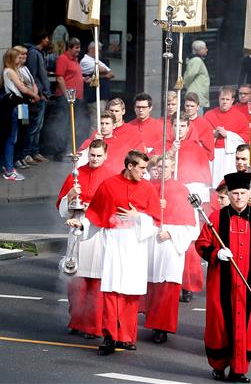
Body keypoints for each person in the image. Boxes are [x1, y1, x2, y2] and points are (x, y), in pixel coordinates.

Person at [195, 171, 251, 383]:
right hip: (221, 284)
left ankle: (239, 370)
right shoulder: (216, 218)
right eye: (234, 193)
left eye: (243, 193)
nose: (239, 197)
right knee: (219, 326)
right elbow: (201, 244)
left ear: (249, 193)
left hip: (250, 284)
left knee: (246, 327)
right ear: (228, 194)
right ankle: (218, 366)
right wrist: (216, 253)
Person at [85, 150, 162, 355]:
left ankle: (126, 337)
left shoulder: (147, 188)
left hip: (136, 244)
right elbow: (95, 214)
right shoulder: (109, 185)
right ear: (130, 166)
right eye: (142, 168)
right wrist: (81, 226)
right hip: (113, 242)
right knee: (111, 291)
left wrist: (138, 217)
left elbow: (156, 221)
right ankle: (110, 336)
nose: (145, 173)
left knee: (131, 293)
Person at [56, 140, 113, 338]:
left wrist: (94, 208)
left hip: (98, 230)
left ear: (105, 156)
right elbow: (62, 207)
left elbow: (114, 207)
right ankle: (77, 320)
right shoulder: (76, 174)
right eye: (92, 155)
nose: (95, 159)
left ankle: (93, 325)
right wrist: (71, 196)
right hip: (76, 225)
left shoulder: (111, 176)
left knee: (94, 280)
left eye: (99, 155)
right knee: (75, 277)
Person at [145, 154, 199, 344]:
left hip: (169, 246)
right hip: (149, 241)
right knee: (151, 286)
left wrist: (171, 233)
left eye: (166, 167)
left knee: (167, 287)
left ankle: (163, 327)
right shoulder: (148, 187)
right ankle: (152, 322)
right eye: (160, 166)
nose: (162, 170)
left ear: (173, 168)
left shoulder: (182, 190)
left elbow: (192, 227)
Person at [0, 48, 40, 180]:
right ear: (11, 59)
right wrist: (34, 94)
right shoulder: (10, 71)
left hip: (21, 106)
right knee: (13, 137)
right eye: (18, 56)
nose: (21, 58)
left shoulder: (14, 71)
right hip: (16, 106)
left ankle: (12, 164)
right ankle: (9, 170)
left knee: (19, 135)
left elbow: (27, 85)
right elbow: (21, 88)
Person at [204, 86, 250, 187]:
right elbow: (202, 135)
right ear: (218, 99)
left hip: (230, 156)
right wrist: (213, 134)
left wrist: (228, 135)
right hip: (214, 156)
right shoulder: (209, 115)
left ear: (233, 100)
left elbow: (246, 138)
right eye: (222, 99)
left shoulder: (240, 117)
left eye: (227, 99)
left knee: (229, 184)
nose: (224, 102)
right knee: (214, 184)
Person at [54, 37, 89, 159]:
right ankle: (59, 153)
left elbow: (74, 77)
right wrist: (67, 95)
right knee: (63, 124)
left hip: (76, 97)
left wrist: (84, 79)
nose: (78, 51)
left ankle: (69, 149)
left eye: (79, 48)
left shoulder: (75, 60)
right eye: (76, 48)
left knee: (73, 124)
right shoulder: (63, 59)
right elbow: (60, 78)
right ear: (69, 47)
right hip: (66, 98)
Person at [25, 29, 52, 163]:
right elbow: (33, 76)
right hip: (38, 94)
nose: (49, 40)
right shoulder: (33, 53)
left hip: (42, 93)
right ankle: (28, 153)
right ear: (42, 39)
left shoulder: (39, 53)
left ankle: (34, 152)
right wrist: (40, 93)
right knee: (34, 125)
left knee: (38, 125)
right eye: (47, 38)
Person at [80, 41, 114, 128]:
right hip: (94, 97)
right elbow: (102, 69)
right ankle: (94, 141)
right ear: (91, 49)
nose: (99, 53)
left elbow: (111, 73)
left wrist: (103, 73)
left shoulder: (96, 60)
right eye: (98, 50)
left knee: (102, 122)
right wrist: (104, 73)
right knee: (96, 124)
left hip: (102, 96)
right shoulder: (85, 60)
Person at [184, 40, 210, 111]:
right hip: (196, 95)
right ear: (199, 49)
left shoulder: (197, 60)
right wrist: (185, 85)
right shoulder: (196, 60)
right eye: (205, 48)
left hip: (198, 95)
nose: (206, 50)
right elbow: (189, 76)